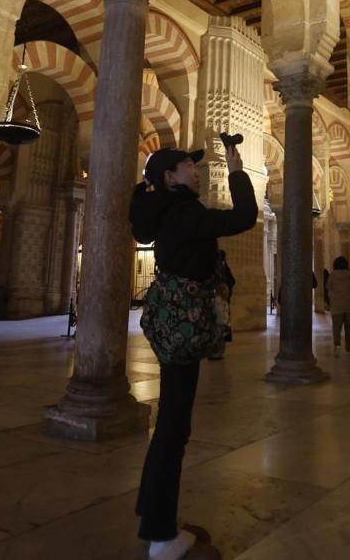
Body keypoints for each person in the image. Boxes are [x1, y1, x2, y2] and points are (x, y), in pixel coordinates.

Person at [129, 143, 256, 560]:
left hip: (169, 323)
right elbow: (242, 217)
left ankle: (154, 516)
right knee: (173, 428)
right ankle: (163, 538)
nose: (195, 171)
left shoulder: (165, 210)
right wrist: (237, 170)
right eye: (187, 166)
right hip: (183, 327)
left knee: (170, 423)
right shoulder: (185, 213)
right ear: (169, 176)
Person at [327, 256, 350, 353]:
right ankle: (349, 348)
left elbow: (328, 287)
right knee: (349, 327)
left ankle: (337, 347)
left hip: (337, 305)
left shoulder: (332, 275)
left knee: (336, 327)